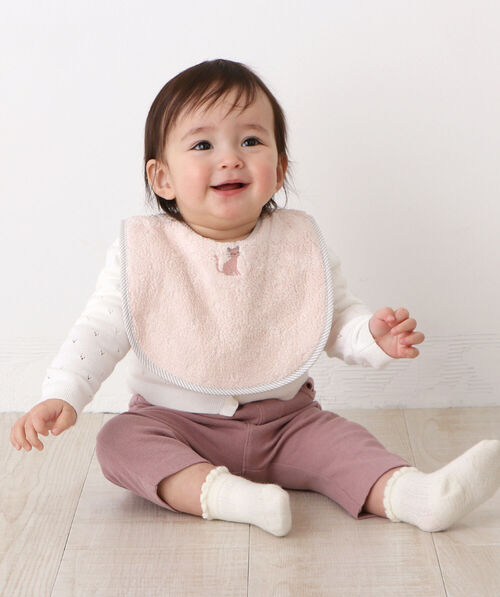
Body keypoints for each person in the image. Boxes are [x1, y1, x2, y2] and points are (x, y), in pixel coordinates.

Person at [10, 59, 500, 538]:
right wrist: (63, 392)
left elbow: (334, 316)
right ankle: (231, 498)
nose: (230, 158)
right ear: (162, 178)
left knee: (344, 442)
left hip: (287, 423)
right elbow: (99, 329)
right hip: (174, 424)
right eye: (203, 144)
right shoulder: (144, 252)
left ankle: (417, 495)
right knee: (119, 441)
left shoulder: (298, 243)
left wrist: (371, 336)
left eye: (250, 140)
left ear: (280, 168)